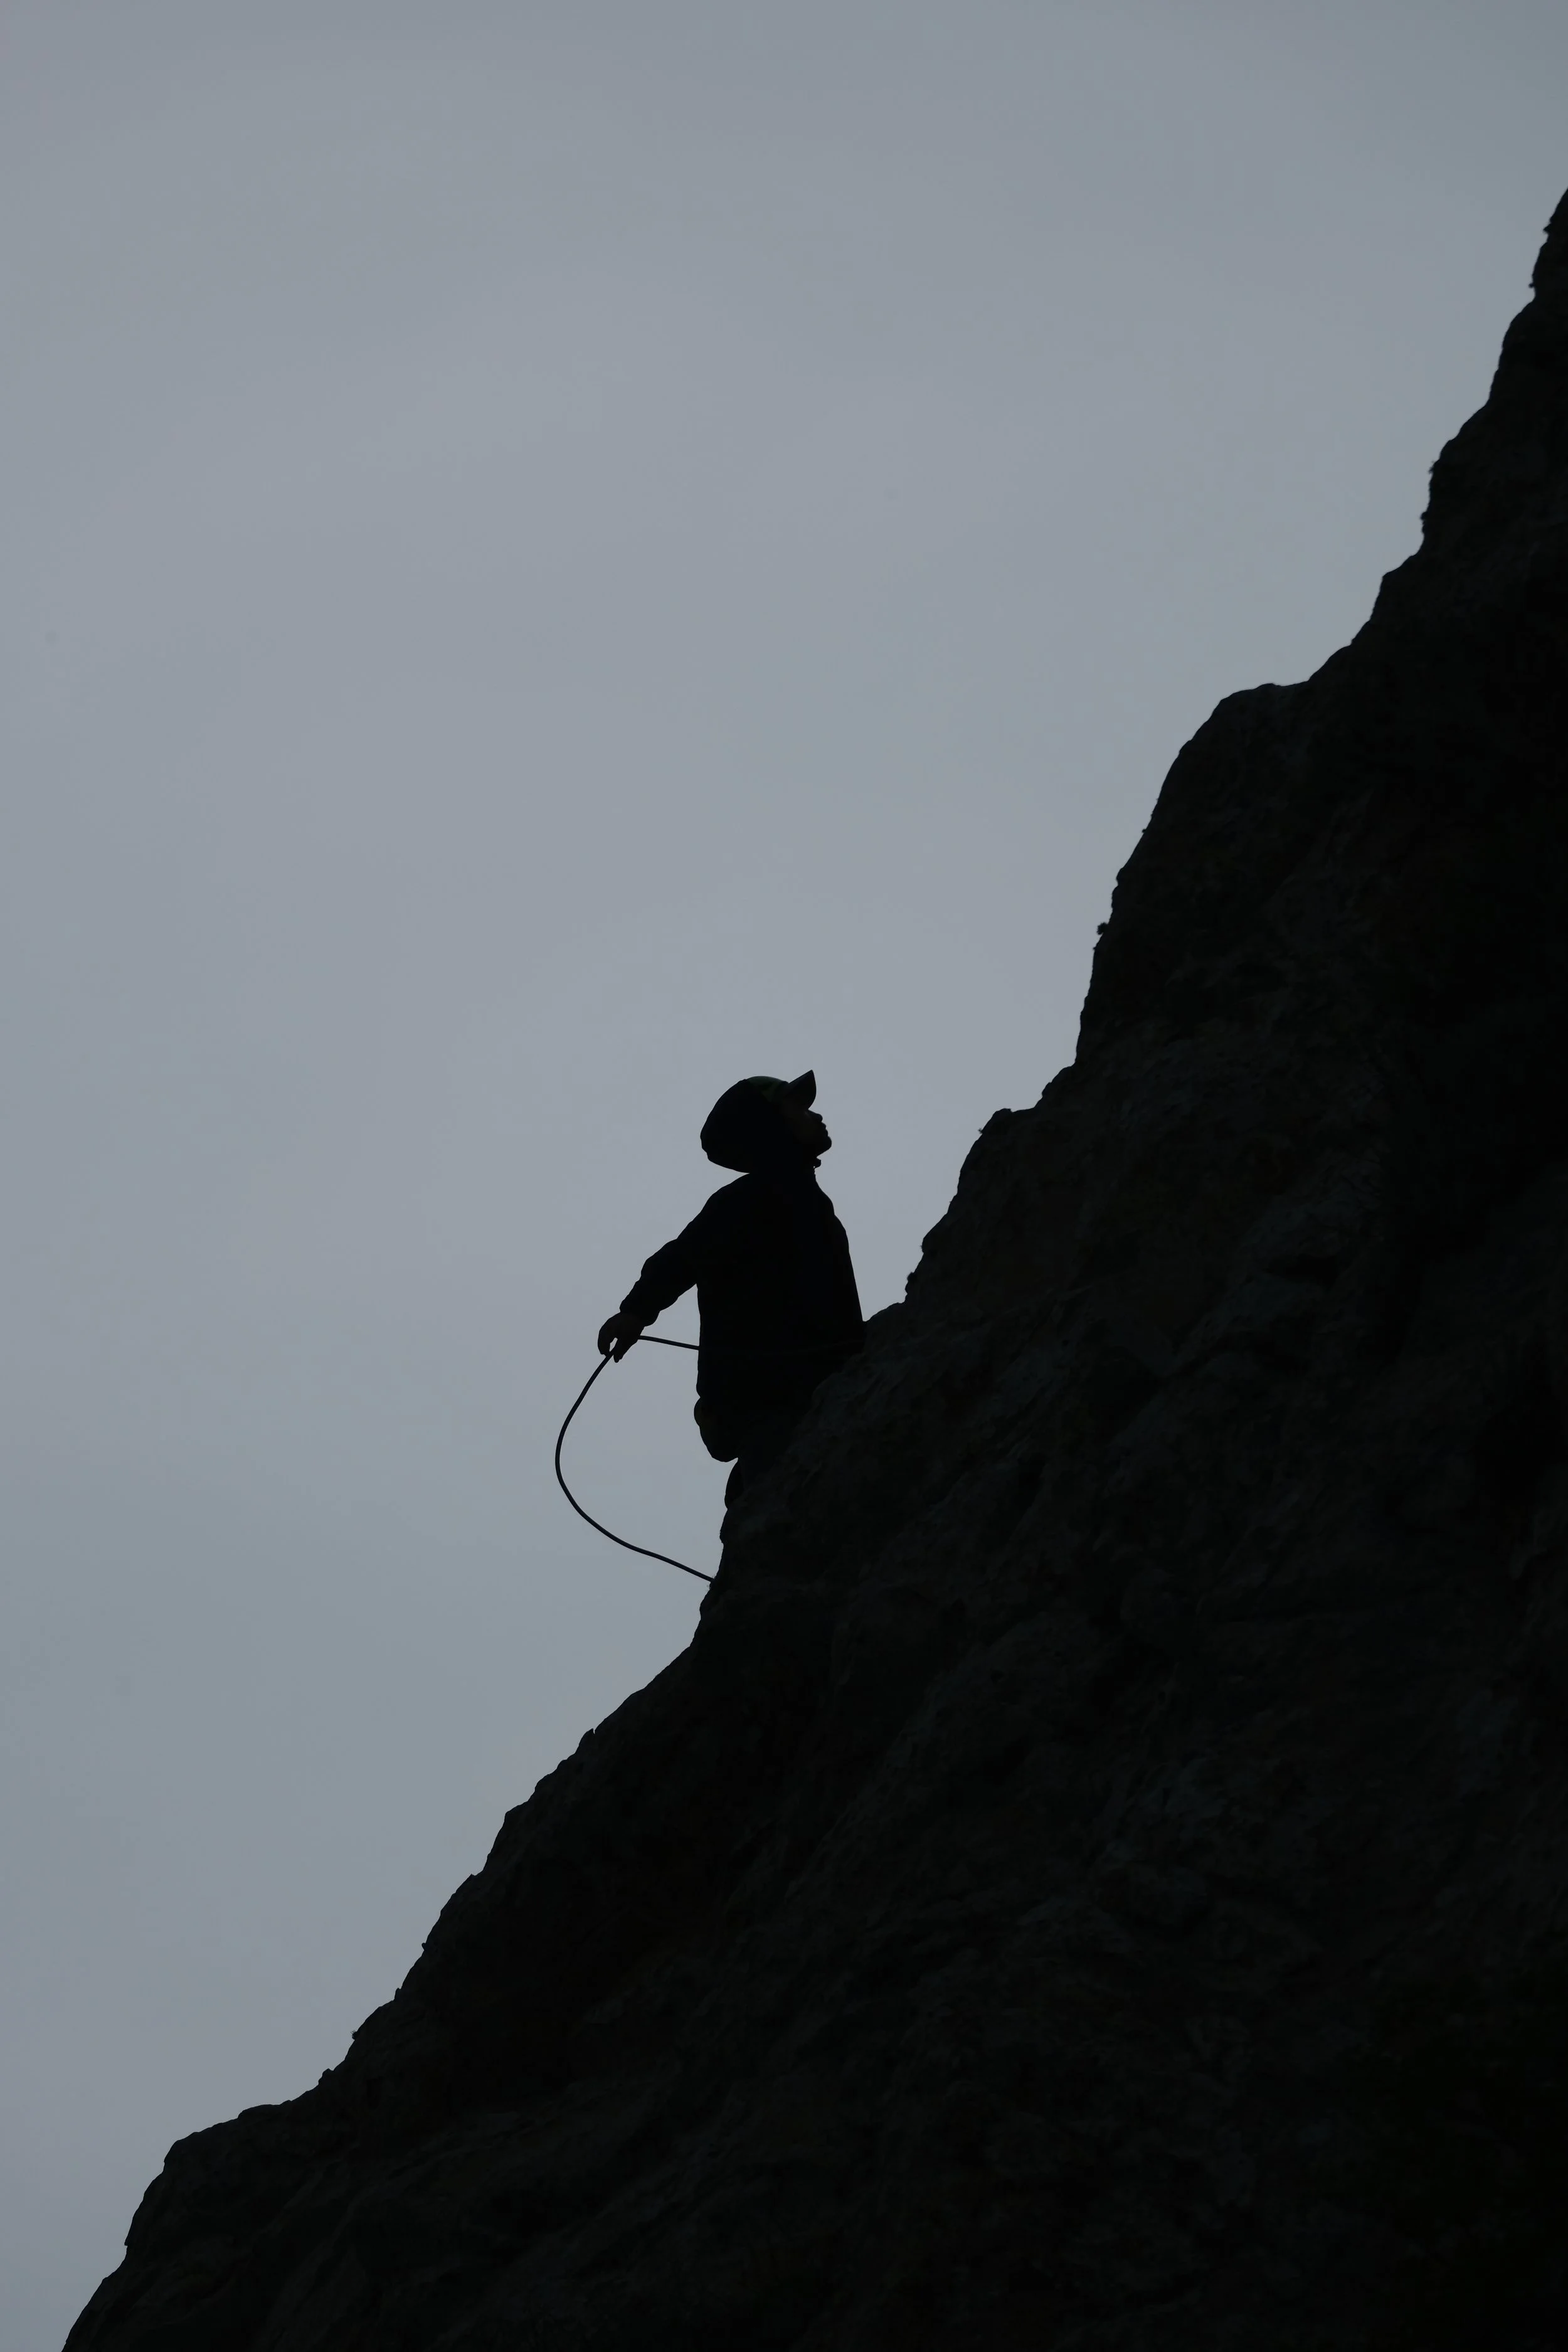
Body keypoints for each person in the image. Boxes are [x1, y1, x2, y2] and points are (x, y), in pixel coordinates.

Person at [597, 1071, 864, 1505]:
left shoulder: (804, 1201)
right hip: (773, 1400)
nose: (815, 1114)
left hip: (810, 1391)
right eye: (798, 1107)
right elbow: (683, 1257)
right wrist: (636, 1313)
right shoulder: (751, 1200)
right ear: (771, 1125)